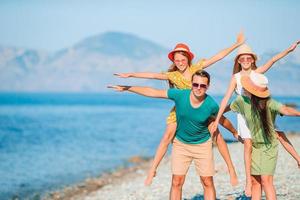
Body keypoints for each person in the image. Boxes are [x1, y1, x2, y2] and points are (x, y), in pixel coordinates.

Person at [114, 33, 245, 186]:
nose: (180, 63)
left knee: (216, 132)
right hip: (182, 110)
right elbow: (152, 78)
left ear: (188, 59)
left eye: (183, 60)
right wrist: (131, 76)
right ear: (174, 62)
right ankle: (153, 169)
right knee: (167, 136)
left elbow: (218, 57)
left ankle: (231, 169)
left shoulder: (197, 68)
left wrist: (236, 45)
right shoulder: (173, 75)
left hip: (200, 107)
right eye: (177, 61)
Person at [109, 70, 238, 199]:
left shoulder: (210, 105)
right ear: (191, 84)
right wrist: (128, 88)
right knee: (176, 181)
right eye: (195, 84)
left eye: (202, 86)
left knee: (207, 182)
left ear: (207, 86)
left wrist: (234, 132)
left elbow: (223, 121)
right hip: (181, 144)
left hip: (202, 145)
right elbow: (153, 92)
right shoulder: (180, 95)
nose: (198, 88)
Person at [211, 41, 300, 196]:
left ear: (252, 59)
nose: (245, 61)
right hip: (243, 112)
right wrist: (217, 118)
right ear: (238, 61)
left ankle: (297, 158)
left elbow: (272, 60)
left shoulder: (257, 73)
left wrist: (289, 49)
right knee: (248, 144)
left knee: (277, 133)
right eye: (242, 59)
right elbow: (227, 99)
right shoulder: (236, 77)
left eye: (248, 58)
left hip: (259, 109)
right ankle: (248, 181)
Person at [228, 73, 300, 200]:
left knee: (266, 180)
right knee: (255, 182)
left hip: (269, 146)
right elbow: (227, 108)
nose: (244, 88)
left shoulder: (269, 103)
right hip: (255, 146)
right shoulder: (241, 101)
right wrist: (213, 117)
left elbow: (286, 110)